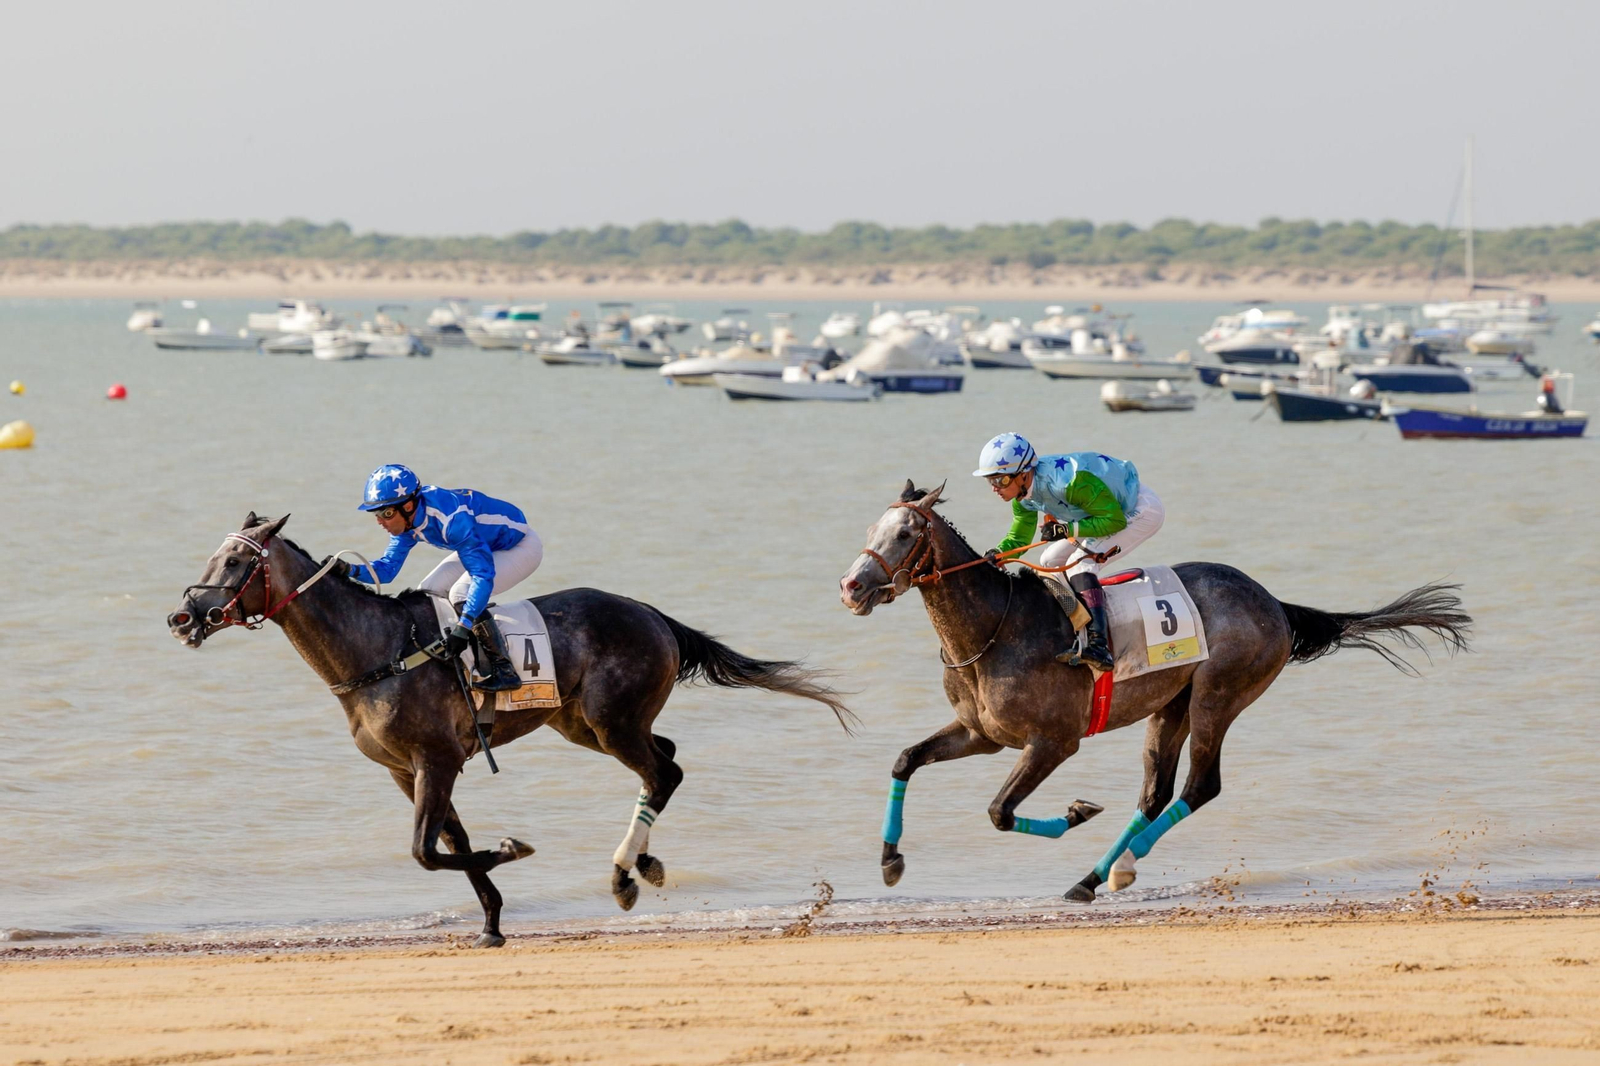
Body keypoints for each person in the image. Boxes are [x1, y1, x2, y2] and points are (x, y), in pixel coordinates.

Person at [972, 433, 1164, 672]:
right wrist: (998, 554)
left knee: (1080, 564)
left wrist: (1066, 528)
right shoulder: (1022, 496)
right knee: (1049, 560)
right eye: (990, 481)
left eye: (1000, 481)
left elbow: (1114, 521)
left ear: (1023, 475)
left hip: (1136, 511)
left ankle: (1099, 645)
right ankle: (1076, 626)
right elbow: (1019, 537)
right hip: (1096, 515)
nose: (994, 489)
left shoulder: (1069, 483)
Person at [348, 464, 542, 690]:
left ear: (408, 506)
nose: (380, 521)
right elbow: (386, 571)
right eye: (377, 514)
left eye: (386, 513)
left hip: (519, 547)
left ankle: (504, 669)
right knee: (426, 592)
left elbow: (483, 576)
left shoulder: (452, 522)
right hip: (482, 545)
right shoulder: (408, 524)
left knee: (460, 593)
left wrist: (463, 627)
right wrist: (348, 571)